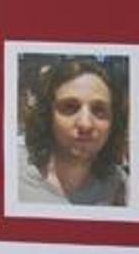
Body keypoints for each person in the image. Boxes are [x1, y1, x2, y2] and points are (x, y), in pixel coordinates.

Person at [20, 57, 127, 207]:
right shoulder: (12, 169)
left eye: (99, 110)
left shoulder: (119, 186)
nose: (85, 124)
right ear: (47, 115)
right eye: (70, 107)